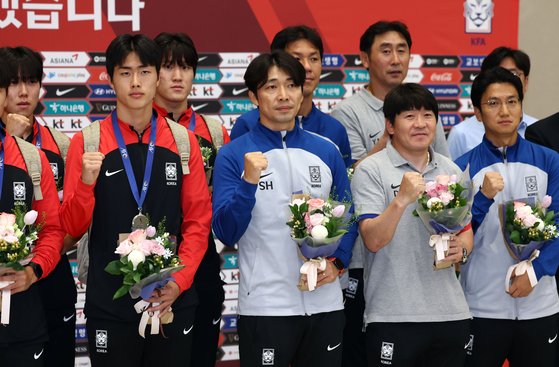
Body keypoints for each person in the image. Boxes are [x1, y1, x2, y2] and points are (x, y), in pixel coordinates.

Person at [60, 34, 212, 367]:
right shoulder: (87, 143)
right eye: (125, 73)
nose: (136, 82)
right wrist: (87, 184)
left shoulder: (183, 142)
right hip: (110, 304)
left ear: (157, 76)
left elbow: (198, 222)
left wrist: (178, 283)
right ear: (109, 78)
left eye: (144, 71)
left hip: (172, 301)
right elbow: (71, 227)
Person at [212, 51, 356, 367]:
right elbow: (225, 231)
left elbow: (348, 214)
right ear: (253, 95)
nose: (283, 96)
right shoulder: (234, 155)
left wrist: (336, 261)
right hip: (266, 307)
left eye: (291, 85)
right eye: (271, 87)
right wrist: (248, 183)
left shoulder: (325, 149)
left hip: (325, 303)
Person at [330, 20, 450, 366]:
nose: (396, 58)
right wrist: (391, 140)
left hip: (420, 257)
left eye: (402, 50)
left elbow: (441, 172)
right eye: (385, 50)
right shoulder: (347, 112)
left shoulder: (425, 112)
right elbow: (349, 178)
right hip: (363, 261)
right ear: (364, 59)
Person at [351, 83, 472, 367]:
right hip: (394, 315)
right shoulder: (371, 169)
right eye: (409, 116)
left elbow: (466, 234)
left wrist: (461, 252)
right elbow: (372, 240)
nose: (420, 124)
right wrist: (401, 199)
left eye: (427, 115)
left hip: (450, 314)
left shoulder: (450, 170)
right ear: (390, 126)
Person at [455, 67, 559, 367]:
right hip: (482, 307)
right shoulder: (461, 167)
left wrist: (536, 272)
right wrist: (481, 199)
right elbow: (456, 236)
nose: (504, 111)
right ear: (477, 111)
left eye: (512, 101)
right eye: (493, 103)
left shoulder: (549, 161)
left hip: (540, 305)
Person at [153, 32, 227, 367]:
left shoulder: (212, 131)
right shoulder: (136, 127)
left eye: (186, 67)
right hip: (146, 252)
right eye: (168, 67)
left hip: (201, 251)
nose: (178, 76)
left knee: (199, 351)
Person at [1, 46, 77, 367]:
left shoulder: (60, 144)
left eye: (31, 81)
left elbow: (68, 218)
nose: (23, 91)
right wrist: (10, 138)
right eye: (13, 83)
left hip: (49, 270)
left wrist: (41, 260)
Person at [230, 25, 353, 168]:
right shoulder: (247, 124)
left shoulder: (334, 128)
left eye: (314, 59)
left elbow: (343, 184)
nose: (307, 67)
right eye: (297, 58)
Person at [447, 47, 537, 160]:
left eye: (513, 74)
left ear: (526, 81)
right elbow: (452, 173)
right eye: (493, 103)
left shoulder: (539, 130)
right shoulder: (461, 133)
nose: (505, 80)